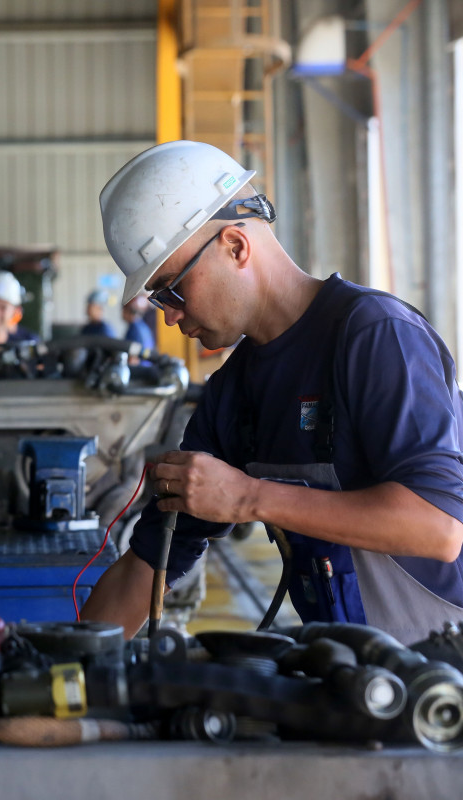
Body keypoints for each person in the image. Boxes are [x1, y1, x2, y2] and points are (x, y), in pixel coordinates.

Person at [81, 140, 463, 645]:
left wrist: (249, 497)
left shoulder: (374, 336)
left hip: (444, 676)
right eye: (157, 300)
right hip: (356, 678)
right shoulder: (233, 394)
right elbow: (148, 565)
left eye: (172, 289)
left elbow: (437, 527)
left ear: (235, 246)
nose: (170, 315)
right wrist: (67, 667)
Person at [121, 294, 155, 365]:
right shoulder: (142, 326)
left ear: (129, 310)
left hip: (139, 370)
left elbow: (132, 359)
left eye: (123, 309)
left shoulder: (134, 329)